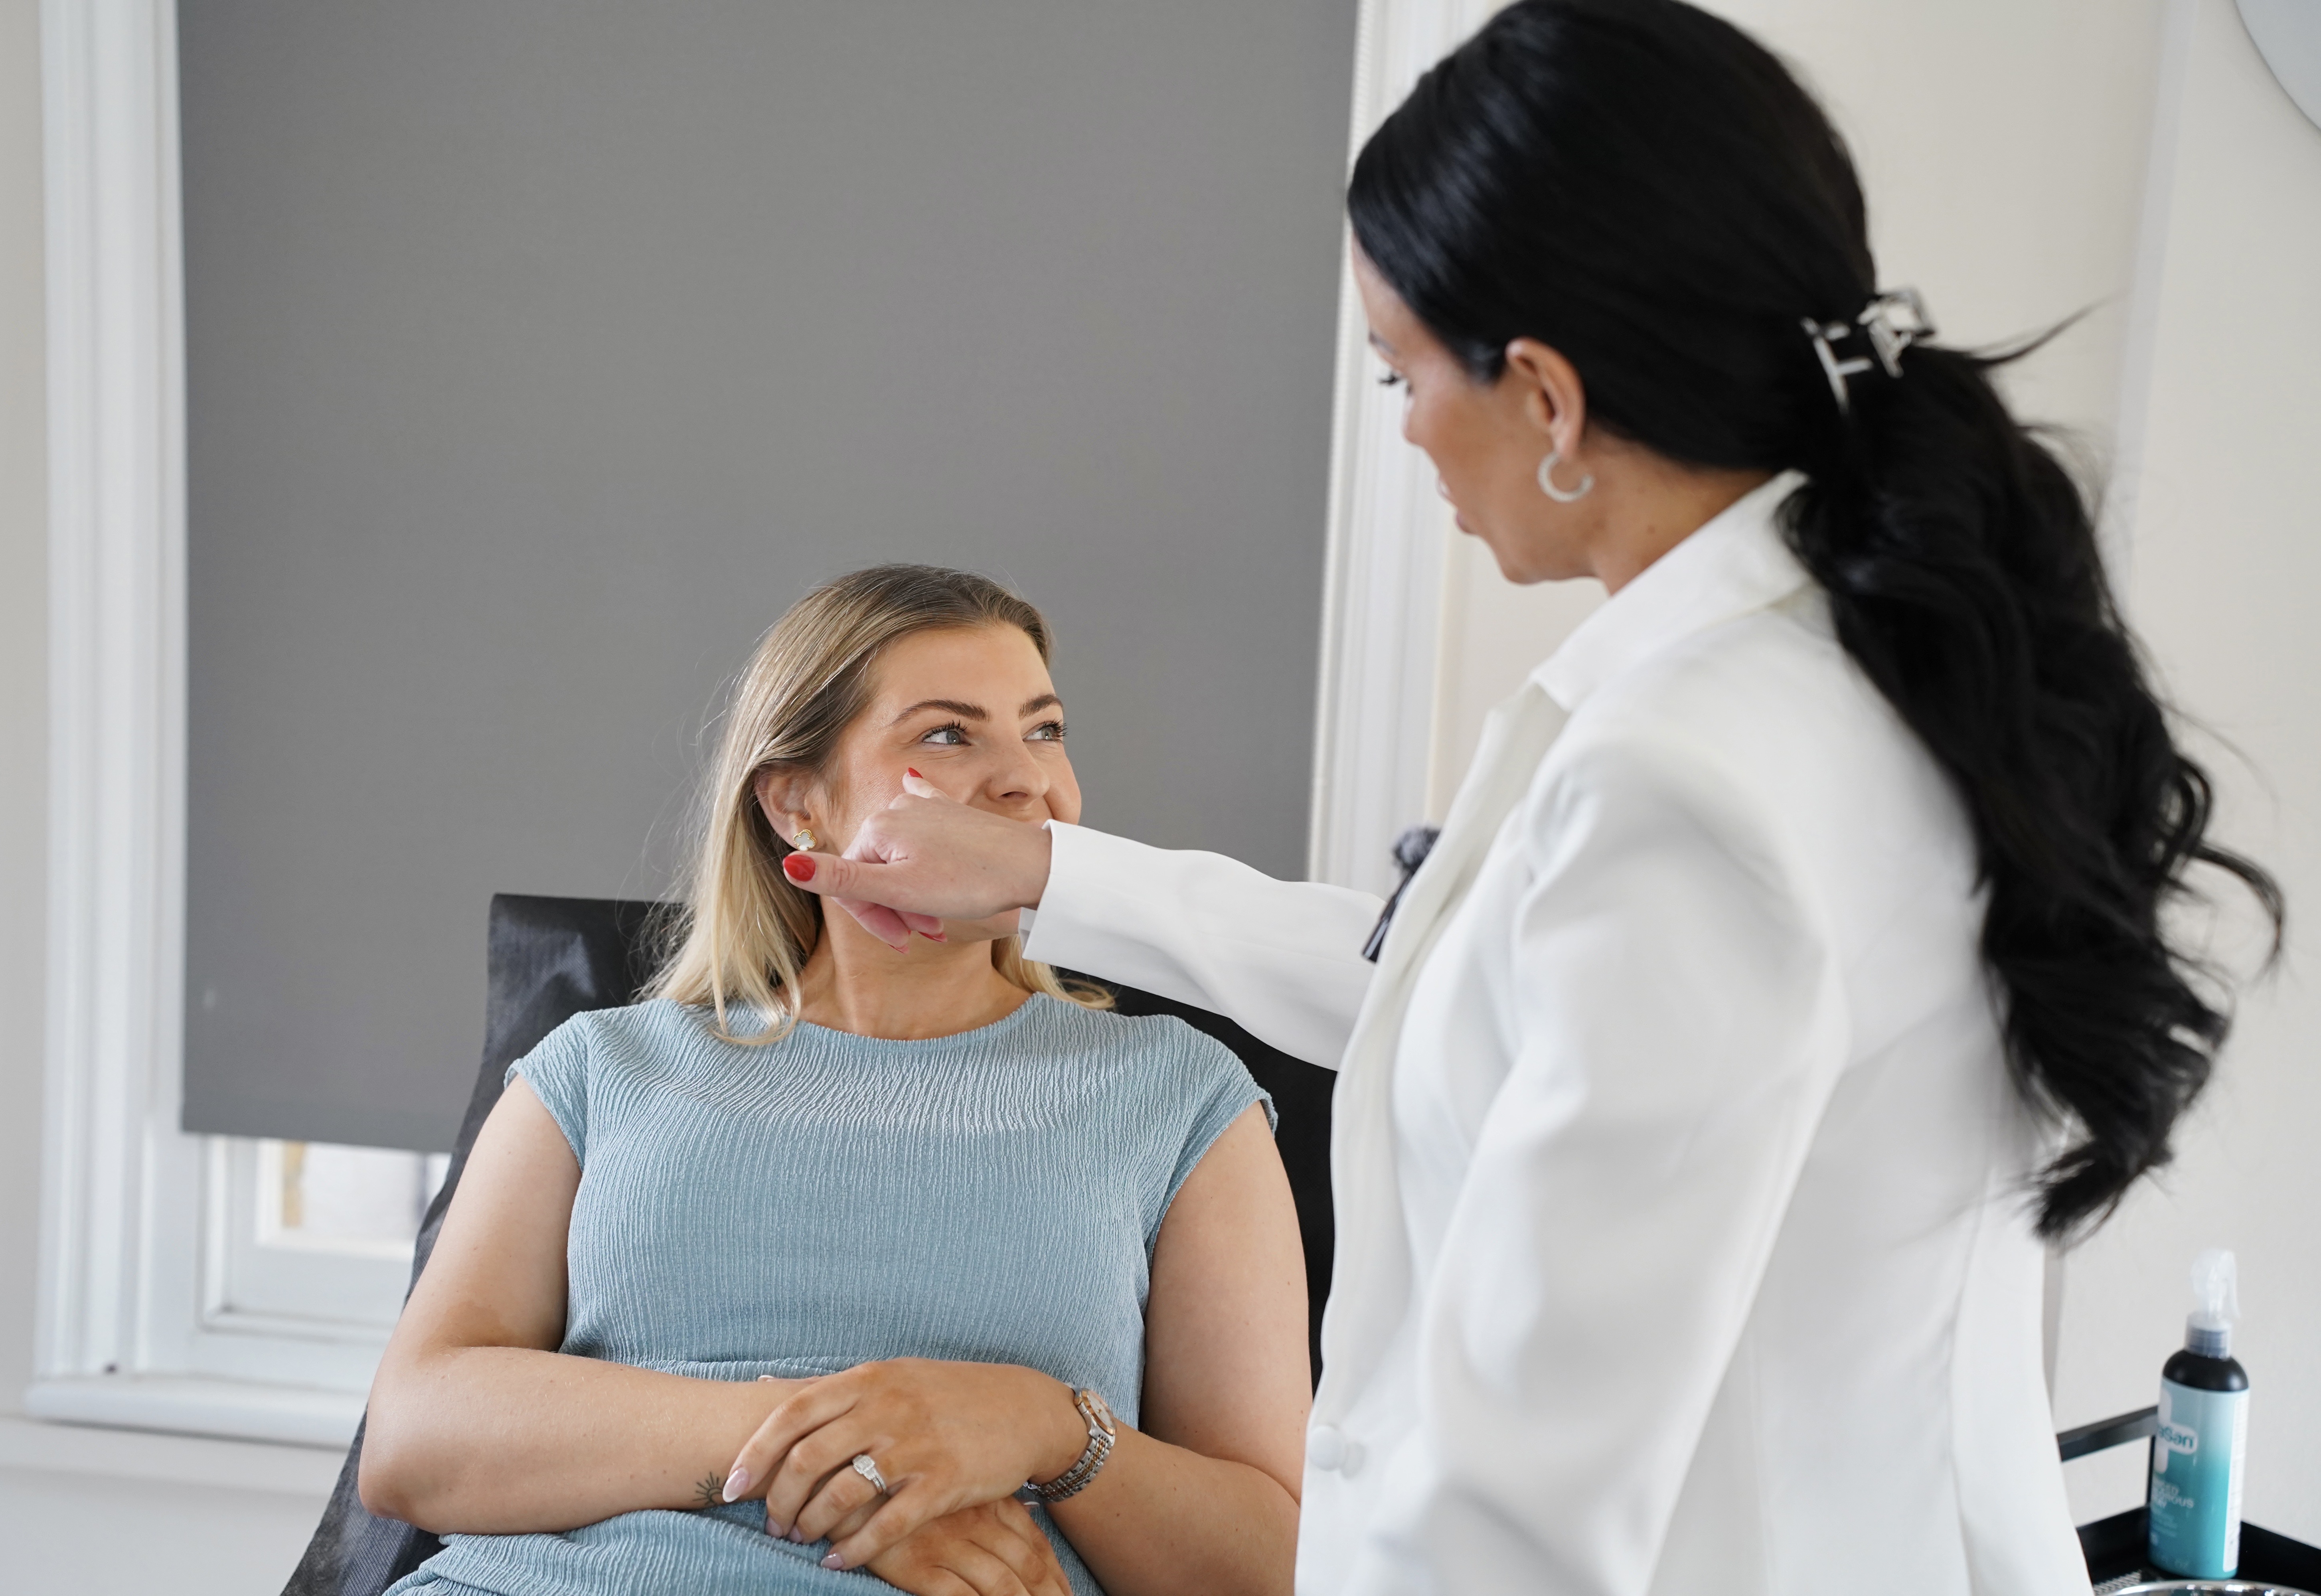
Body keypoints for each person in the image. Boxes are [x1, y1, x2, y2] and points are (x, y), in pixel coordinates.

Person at [780, 4, 2283, 1593]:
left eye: (1400, 373)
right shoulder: (1884, 670)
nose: (1414, 434)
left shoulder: (1687, 780)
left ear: (1547, 398)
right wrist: (1043, 870)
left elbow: (1522, 1517)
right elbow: (1457, 986)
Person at [359, 565, 1311, 1596]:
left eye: (1044, 730)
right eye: (948, 736)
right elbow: (413, 1441)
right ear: (796, 803)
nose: (1026, 783)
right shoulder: (602, 1067)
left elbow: (1270, 1562)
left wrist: (1046, 1428)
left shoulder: (1178, 1099)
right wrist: (849, 1467)